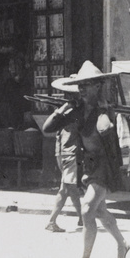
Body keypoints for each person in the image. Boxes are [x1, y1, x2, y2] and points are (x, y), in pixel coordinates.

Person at [45, 61, 130, 258]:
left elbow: (110, 139)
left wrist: (116, 173)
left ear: (97, 86)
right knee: (99, 210)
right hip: (87, 165)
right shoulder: (76, 109)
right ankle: (122, 244)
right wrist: (62, 110)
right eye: (80, 85)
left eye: (87, 84)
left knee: (87, 209)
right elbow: (48, 128)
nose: (82, 88)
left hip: (103, 166)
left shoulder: (104, 111)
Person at [43, 78, 84, 233]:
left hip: (63, 152)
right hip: (69, 153)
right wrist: (63, 108)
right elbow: (47, 128)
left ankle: (82, 218)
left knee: (70, 187)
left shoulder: (70, 110)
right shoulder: (70, 111)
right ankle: (51, 221)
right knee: (65, 188)